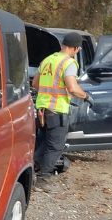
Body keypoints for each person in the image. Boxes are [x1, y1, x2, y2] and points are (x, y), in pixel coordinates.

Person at [32, 32, 93, 192]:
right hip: (57, 111)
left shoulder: (48, 60)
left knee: (43, 143)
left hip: (42, 110)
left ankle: (31, 171)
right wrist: (86, 96)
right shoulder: (69, 63)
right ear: (76, 48)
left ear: (62, 45)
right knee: (55, 147)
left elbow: (35, 83)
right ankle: (43, 179)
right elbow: (72, 88)